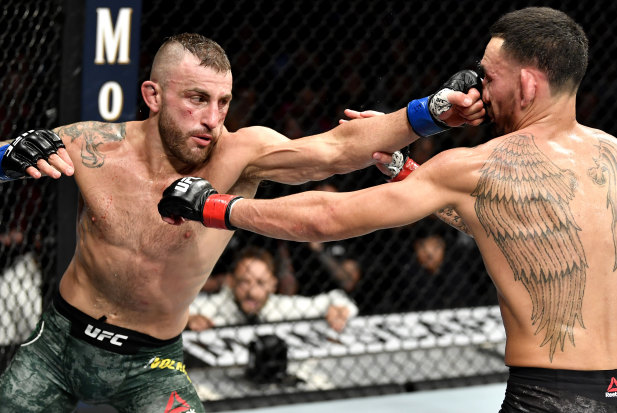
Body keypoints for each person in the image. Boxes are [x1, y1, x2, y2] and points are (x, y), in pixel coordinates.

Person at [160, 8, 617, 412]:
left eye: (489, 76)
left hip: (547, 396)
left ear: (525, 84)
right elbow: (516, 224)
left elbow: (327, 218)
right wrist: (406, 171)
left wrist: (216, 206)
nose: (480, 89)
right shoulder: (612, 154)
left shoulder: (475, 166)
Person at [0, 33, 484, 411]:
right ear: (152, 94)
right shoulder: (93, 146)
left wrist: (434, 111)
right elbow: (8, 159)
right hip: (58, 346)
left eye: (223, 102)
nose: (213, 119)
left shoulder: (240, 155)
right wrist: (5, 157)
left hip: (152, 364)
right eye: (196, 99)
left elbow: (337, 149)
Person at [187, 246, 357, 332]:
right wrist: (188, 319)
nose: (252, 292)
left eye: (260, 283)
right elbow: (176, 310)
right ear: (231, 282)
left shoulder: (281, 307)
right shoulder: (215, 306)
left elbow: (336, 298)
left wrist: (341, 309)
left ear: (273, 285)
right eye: (245, 281)